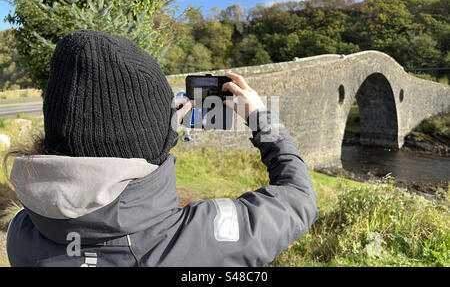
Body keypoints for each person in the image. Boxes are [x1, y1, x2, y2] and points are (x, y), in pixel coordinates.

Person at [6, 30, 318, 267]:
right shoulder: (202, 243)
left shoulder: (22, 234)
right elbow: (299, 198)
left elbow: (100, 142)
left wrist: (160, 128)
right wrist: (260, 117)